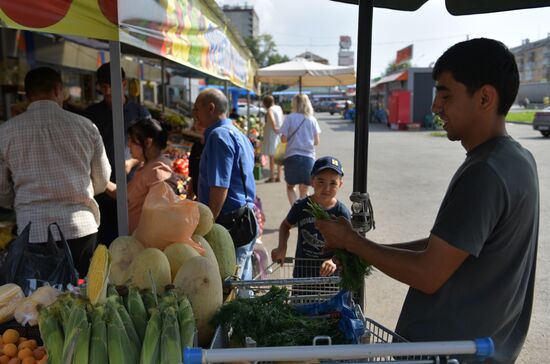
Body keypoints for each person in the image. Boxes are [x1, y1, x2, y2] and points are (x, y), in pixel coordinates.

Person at [315, 38, 539, 364]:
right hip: (477, 349)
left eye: (446, 95)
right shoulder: (517, 159)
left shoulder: (485, 173)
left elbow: (428, 273)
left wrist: (354, 243)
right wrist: (356, 247)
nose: (435, 107)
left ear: (485, 97)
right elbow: (447, 246)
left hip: (450, 354)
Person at [0, 67, 111, 277]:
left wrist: (22, 200)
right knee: (82, 301)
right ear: (59, 90)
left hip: (33, 232)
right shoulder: (87, 126)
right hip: (81, 228)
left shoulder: (5, 132)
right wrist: (79, 191)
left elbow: (2, 191)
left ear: (27, 93)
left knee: (42, 302)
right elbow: (103, 180)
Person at [193, 88, 257, 280]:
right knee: (242, 282)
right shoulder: (237, 133)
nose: (194, 114)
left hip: (230, 225)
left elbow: (220, 186)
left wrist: (208, 222)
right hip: (243, 220)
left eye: (197, 109)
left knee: (232, 286)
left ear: (211, 108)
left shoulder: (218, 136)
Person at [83, 63, 150, 245]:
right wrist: (103, 182)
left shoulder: (139, 113)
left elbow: (150, 149)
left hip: (133, 189)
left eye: (112, 85)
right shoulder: (91, 115)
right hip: (100, 192)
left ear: (124, 84)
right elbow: (83, 154)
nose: (108, 91)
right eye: (104, 87)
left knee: (133, 242)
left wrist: (132, 162)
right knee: (105, 244)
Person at [272, 156, 350, 279]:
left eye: (333, 183)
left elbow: (349, 245)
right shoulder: (301, 206)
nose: (327, 188)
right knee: (300, 299)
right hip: (302, 275)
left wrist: (334, 261)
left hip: (330, 280)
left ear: (340, 184)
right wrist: (282, 247)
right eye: (321, 181)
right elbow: (286, 225)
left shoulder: (342, 213)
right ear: (312, 181)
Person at [105, 118, 177, 234]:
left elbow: (161, 218)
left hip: (145, 245)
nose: (128, 145)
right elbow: (125, 195)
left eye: (132, 141)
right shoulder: (148, 166)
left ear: (148, 142)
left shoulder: (158, 172)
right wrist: (101, 181)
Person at [280, 93, 321, 205]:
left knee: (290, 187)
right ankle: (302, 214)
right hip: (308, 158)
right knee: (304, 191)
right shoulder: (312, 120)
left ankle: (294, 210)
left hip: (291, 157)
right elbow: (317, 141)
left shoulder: (289, 118)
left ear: (294, 104)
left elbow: (283, 139)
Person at [261, 95, 284, 183]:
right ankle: (278, 176)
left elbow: (273, 121)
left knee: (272, 157)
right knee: (279, 156)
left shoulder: (270, 110)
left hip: (272, 135)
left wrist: (274, 128)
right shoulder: (279, 108)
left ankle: (272, 177)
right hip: (279, 134)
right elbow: (282, 119)